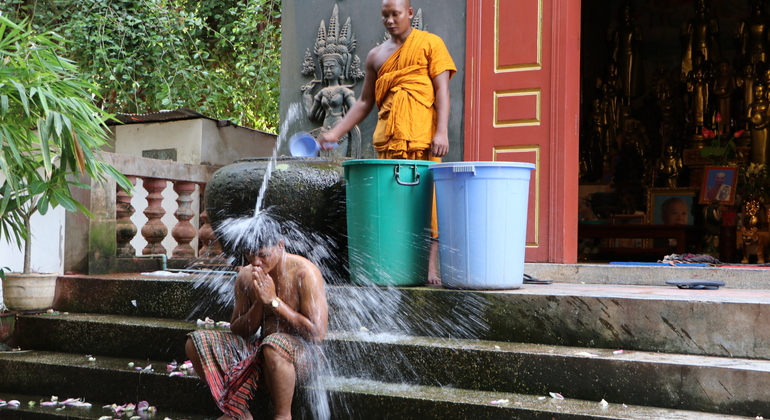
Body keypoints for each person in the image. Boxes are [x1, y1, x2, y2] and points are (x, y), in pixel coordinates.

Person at [317, 0, 456, 284]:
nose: (390, 20)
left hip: (422, 140)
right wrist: (335, 132)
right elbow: (365, 102)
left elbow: (442, 90)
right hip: (389, 141)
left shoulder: (430, 44)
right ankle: (393, 263)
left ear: (409, 13)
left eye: (395, 14)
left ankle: (428, 268)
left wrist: (441, 131)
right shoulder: (376, 56)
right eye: (385, 16)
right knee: (392, 204)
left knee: (426, 205)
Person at [185, 217, 329, 420]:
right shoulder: (246, 276)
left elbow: (316, 334)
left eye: (263, 255)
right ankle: (239, 412)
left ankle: (282, 416)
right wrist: (259, 303)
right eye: (249, 255)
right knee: (196, 342)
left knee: (273, 345)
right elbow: (239, 330)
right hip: (261, 351)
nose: (256, 262)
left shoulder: (305, 273)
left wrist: (273, 301)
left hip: (303, 356)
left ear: (280, 245)